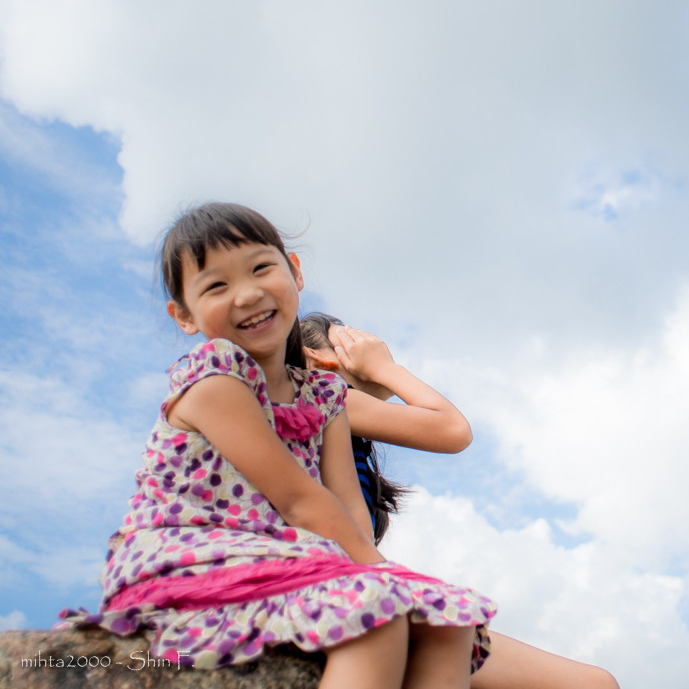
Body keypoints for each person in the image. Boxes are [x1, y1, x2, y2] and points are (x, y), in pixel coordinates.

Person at [60, 202, 494, 689]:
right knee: (381, 612)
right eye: (217, 285)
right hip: (192, 556)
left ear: (295, 272)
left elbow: (348, 507)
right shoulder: (215, 380)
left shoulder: (324, 397)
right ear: (183, 315)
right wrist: (384, 576)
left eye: (261, 268)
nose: (247, 294)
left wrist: (386, 578)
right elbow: (299, 500)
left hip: (283, 557)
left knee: (449, 625)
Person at [298, 313, 621, 689]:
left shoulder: (342, 433)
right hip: (339, 594)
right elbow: (452, 429)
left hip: (356, 589)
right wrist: (386, 368)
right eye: (350, 339)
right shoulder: (320, 393)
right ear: (318, 357)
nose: (369, 346)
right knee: (593, 683)